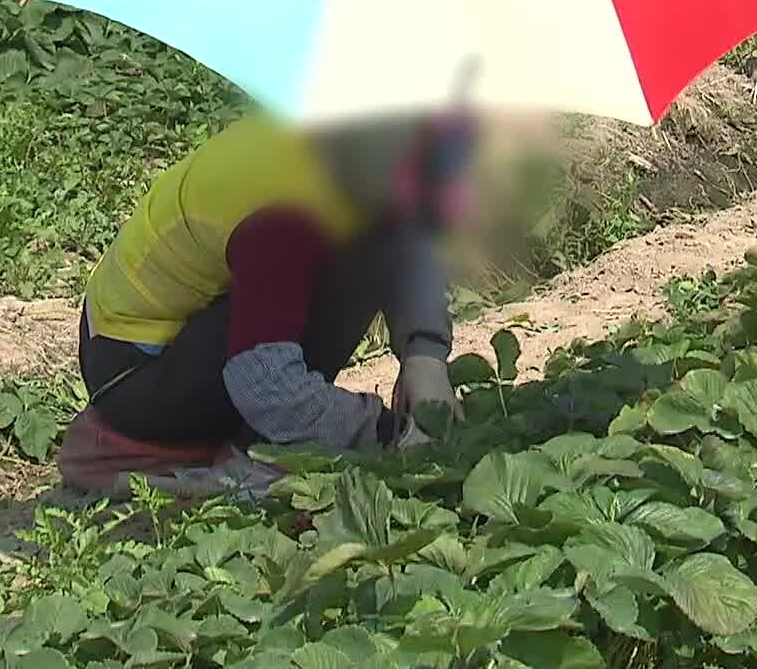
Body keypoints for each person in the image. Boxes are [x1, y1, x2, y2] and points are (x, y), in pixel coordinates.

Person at [56, 109, 478, 496]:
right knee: (355, 267)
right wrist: (387, 434)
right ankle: (250, 461)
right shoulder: (289, 212)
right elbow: (262, 382)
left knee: (370, 243)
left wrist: (425, 356)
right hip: (135, 374)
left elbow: (403, 236)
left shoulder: (341, 142)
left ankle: (257, 447)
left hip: (147, 333)